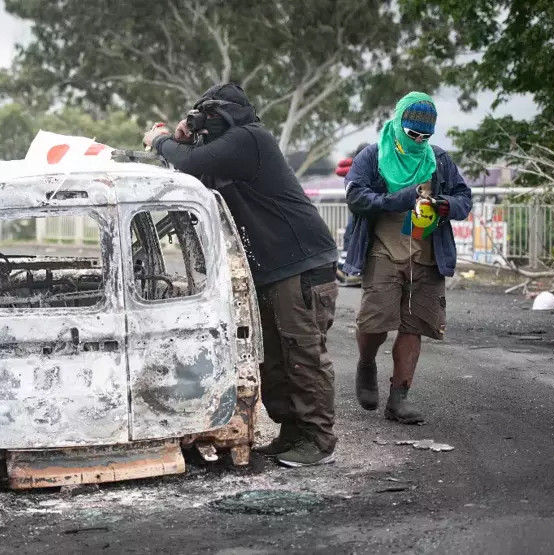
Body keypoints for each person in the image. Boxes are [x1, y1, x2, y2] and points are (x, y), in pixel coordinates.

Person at [143, 83, 340, 466]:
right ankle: (293, 431)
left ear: (225, 115)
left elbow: (191, 163)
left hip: (300, 263)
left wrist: (161, 139)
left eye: (207, 117)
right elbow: (193, 167)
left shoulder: (249, 139)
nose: (202, 125)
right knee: (276, 358)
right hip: (273, 269)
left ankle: (318, 439)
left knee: (302, 352)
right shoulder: (227, 150)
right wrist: (183, 136)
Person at [343, 92, 472, 424]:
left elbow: (464, 199)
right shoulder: (371, 157)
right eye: (412, 133)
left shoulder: (438, 160)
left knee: (414, 326)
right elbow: (356, 197)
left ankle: (398, 400)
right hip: (383, 251)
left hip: (426, 254)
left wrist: (444, 204)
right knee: (375, 322)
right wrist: (396, 199)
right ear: (398, 121)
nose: (418, 141)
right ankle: (366, 364)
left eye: (425, 136)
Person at [335, 143, 369, 286]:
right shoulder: (361, 168)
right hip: (361, 208)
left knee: (352, 236)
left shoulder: (355, 168)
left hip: (358, 207)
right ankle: (349, 270)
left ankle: (347, 270)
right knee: (353, 236)